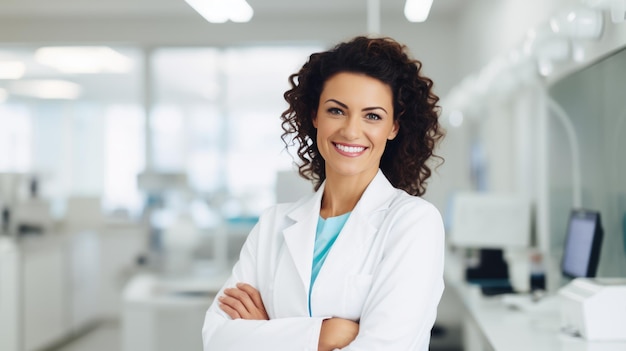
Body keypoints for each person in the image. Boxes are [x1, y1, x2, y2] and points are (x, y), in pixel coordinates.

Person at [202, 35, 446, 351]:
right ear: (315, 115)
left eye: (372, 115)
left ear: (394, 128)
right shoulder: (273, 225)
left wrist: (267, 333)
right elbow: (217, 338)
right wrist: (324, 335)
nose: (351, 130)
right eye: (336, 110)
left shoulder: (413, 223)